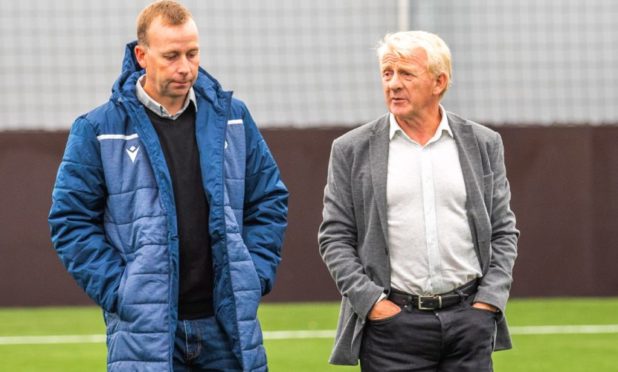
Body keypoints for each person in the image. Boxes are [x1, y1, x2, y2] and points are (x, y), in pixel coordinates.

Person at [48, 1, 288, 371]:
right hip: (147, 330)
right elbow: (70, 222)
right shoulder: (97, 128)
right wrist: (120, 291)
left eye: (192, 54)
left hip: (226, 326)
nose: (185, 67)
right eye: (172, 55)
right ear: (142, 55)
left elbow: (269, 198)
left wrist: (253, 275)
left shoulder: (234, 118)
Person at [318, 31, 519, 372]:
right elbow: (334, 238)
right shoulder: (351, 149)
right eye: (387, 73)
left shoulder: (483, 144)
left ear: (439, 81)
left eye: (406, 74)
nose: (393, 84)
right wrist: (372, 305)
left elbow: (503, 230)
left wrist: (488, 302)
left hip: (469, 324)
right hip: (391, 331)